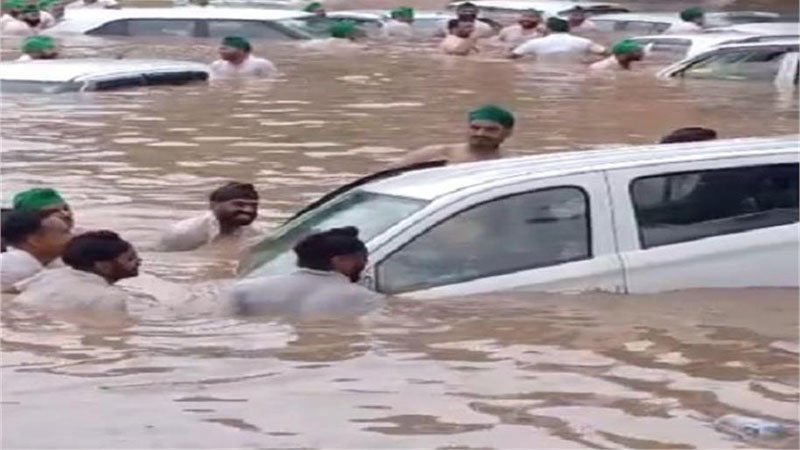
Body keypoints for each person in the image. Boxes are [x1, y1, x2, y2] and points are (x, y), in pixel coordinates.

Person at [232, 226, 382, 317]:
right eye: (363, 258)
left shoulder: (245, 289)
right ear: (340, 261)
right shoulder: (364, 299)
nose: (365, 263)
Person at [14, 231, 140, 314]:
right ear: (103, 266)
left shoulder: (50, 275)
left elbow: (11, 291)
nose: (139, 261)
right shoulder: (108, 297)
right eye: (130, 259)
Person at [392, 104, 514, 166]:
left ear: (508, 133)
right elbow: (389, 174)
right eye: (475, 128)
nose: (480, 133)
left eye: (491, 130)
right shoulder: (437, 154)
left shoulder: (509, 163)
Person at [160, 182, 260, 252]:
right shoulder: (185, 233)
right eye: (239, 204)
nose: (248, 210)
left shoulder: (255, 233)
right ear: (213, 205)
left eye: (253, 205)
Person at [0, 210, 71, 292]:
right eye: (65, 233)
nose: (72, 237)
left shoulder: (48, 263)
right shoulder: (18, 267)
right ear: (34, 240)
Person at [510, 17, 606, 60]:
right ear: (568, 29)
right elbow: (607, 54)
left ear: (548, 28)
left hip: (543, 75)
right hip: (575, 75)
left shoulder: (533, 43)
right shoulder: (584, 42)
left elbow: (512, 57)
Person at [210, 36, 278, 79]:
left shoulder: (261, 64)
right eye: (220, 49)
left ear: (241, 50)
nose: (221, 52)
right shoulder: (217, 65)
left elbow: (271, 82)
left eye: (225, 49)